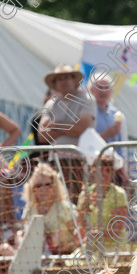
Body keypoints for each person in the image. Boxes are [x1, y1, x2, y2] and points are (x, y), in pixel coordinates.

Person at [38, 65, 96, 200]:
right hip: (57, 162)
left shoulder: (87, 99)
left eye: (67, 78)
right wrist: (70, 128)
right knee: (58, 201)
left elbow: (81, 129)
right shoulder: (51, 103)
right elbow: (41, 135)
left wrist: (54, 125)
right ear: (55, 84)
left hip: (81, 161)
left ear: (75, 80)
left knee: (79, 202)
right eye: (59, 79)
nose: (63, 82)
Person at [74, 149, 128, 253]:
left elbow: (117, 229)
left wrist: (95, 234)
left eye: (108, 170)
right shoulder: (85, 194)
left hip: (112, 248)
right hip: (89, 246)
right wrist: (78, 234)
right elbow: (79, 225)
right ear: (93, 171)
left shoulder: (119, 194)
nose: (104, 174)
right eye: (100, 169)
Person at [20, 162, 79, 256]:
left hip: (65, 254)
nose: (43, 189)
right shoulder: (30, 209)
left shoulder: (63, 207)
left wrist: (68, 246)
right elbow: (23, 233)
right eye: (38, 185)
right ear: (33, 189)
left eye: (47, 185)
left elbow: (79, 233)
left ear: (54, 186)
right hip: (35, 255)